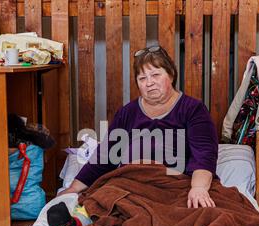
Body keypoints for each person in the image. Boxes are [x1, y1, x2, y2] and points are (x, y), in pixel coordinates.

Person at [58, 46, 218, 208]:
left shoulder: (193, 109)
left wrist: (198, 188)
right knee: (102, 202)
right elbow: (106, 156)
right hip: (129, 183)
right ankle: (76, 221)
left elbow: (203, 155)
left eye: (155, 74)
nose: (149, 83)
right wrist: (72, 188)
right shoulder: (127, 113)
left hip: (171, 184)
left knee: (205, 212)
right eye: (142, 78)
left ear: (170, 75)